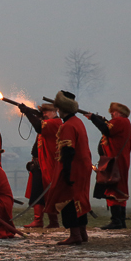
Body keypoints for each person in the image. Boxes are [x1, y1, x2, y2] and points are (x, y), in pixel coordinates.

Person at [44, 91, 92, 245]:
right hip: (82, 168)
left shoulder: (68, 126)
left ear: (63, 109)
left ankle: (75, 235)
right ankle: (82, 233)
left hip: (73, 169)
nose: (58, 111)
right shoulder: (78, 122)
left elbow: (68, 151)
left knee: (68, 202)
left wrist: (66, 172)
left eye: (59, 109)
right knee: (80, 200)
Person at [85, 102, 131, 229]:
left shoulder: (120, 121)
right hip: (117, 160)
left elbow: (106, 130)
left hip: (113, 161)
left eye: (114, 112)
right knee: (118, 189)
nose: (112, 114)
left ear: (120, 113)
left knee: (112, 188)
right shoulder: (123, 122)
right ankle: (121, 221)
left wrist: (93, 119)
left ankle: (116, 221)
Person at [18, 103, 63, 228]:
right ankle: (40, 220)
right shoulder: (48, 124)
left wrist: (27, 112)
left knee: (48, 192)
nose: (44, 114)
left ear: (55, 111)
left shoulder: (54, 123)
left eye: (47, 111)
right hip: (41, 163)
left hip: (49, 164)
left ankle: (51, 221)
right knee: (38, 191)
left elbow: (38, 127)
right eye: (43, 112)